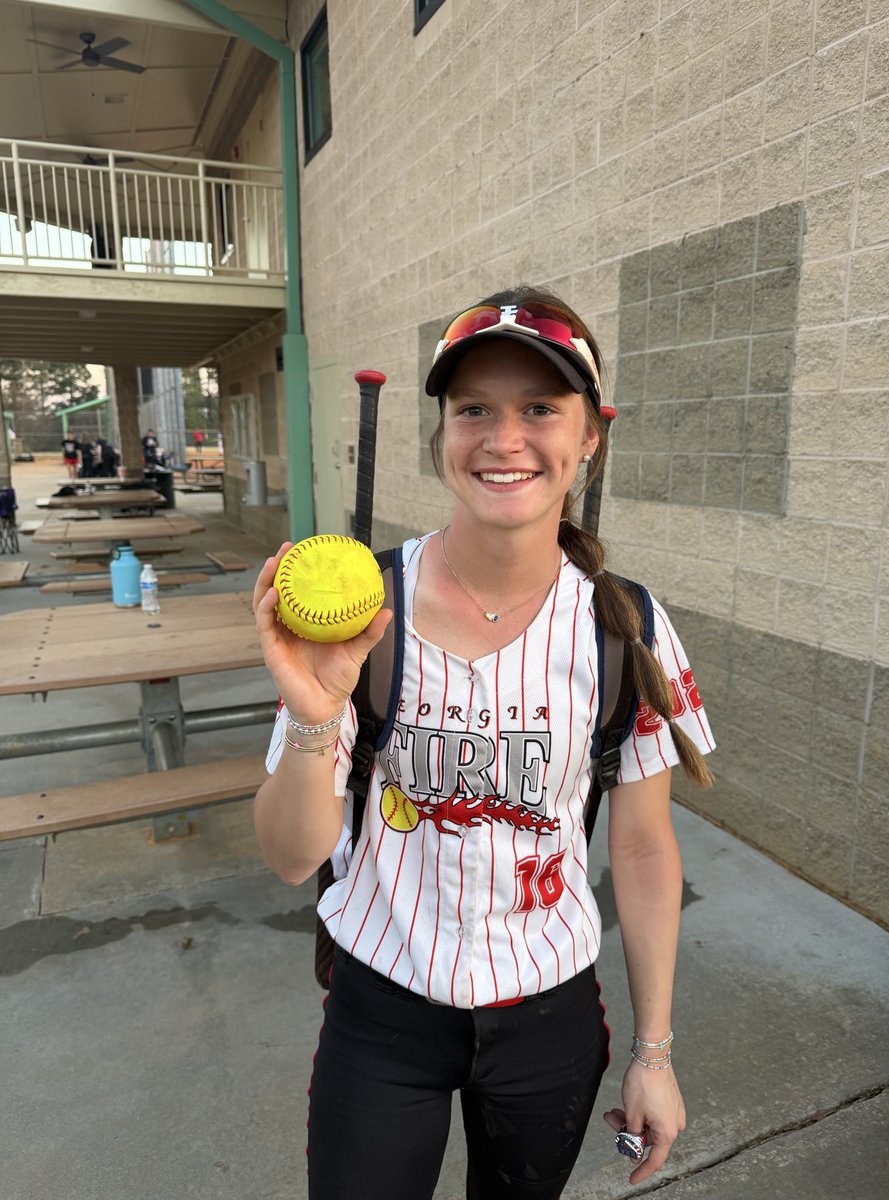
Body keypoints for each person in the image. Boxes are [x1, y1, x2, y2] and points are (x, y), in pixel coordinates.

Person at [252, 286, 715, 1200]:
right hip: (383, 1008)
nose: (504, 439)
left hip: (548, 1016)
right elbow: (289, 857)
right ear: (443, 435)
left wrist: (655, 1052)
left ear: (590, 437)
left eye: (540, 408)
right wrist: (314, 713)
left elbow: (642, 849)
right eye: (474, 410)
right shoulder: (361, 610)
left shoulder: (626, 628)